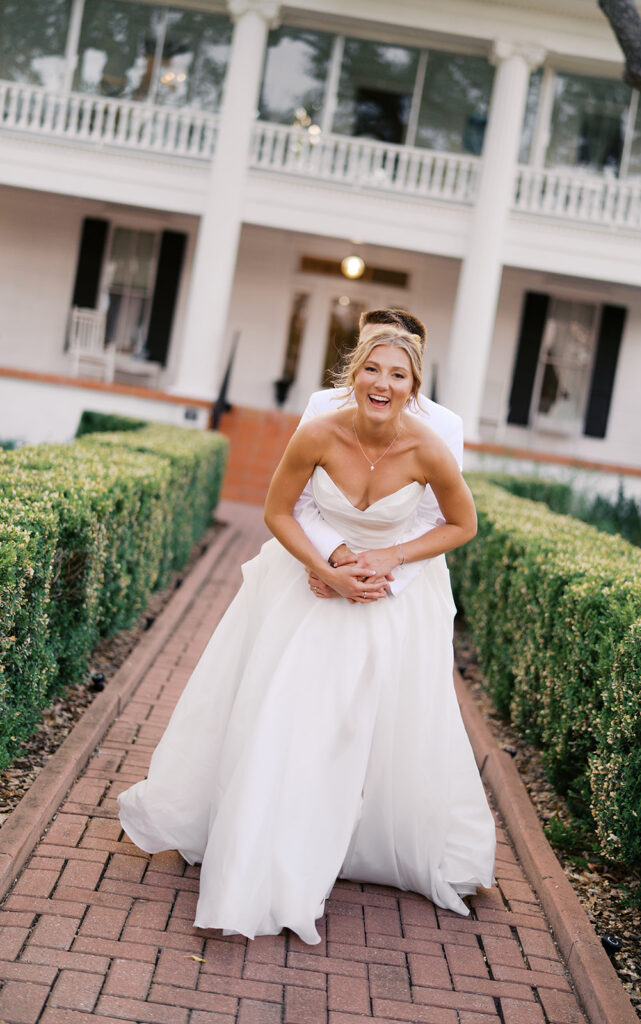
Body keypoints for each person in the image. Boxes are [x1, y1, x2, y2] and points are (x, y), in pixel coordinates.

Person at [118, 322, 495, 945]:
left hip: (384, 603)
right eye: (373, 368)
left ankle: (346, 836)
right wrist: (325, 569)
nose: (383, 383)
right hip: (312, 593)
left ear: (413, 386)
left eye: (398, 374)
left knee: (356, 728)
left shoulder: (430, 446)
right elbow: (279, 510)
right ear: (355, 373)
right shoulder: (319, 430)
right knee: (289, 719)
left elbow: (461, 524)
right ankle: (266, 857)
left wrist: (390, 559)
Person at [294, 309, 464, 603]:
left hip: (398, 581)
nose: (378, 372)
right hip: (316, 569)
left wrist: (377, 574)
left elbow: (434, 517)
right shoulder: (322, 406)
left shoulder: (444, 426)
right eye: (366, 350)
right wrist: (329, 561)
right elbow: (299, 498)